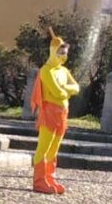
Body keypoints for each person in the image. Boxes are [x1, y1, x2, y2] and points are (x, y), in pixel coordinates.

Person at [29, 29, 80, 194]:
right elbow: (57, 92)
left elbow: (76, 88)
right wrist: (66, 90)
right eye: (60, 53)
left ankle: (49, 177)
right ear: (53, 52)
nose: (63, 57)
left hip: (62, 113)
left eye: (65, 53)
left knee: (54, 148)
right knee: (43, 147)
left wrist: (65, 89)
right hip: (49, 112)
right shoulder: (46, 70)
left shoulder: (64, 71)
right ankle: (39, 181)